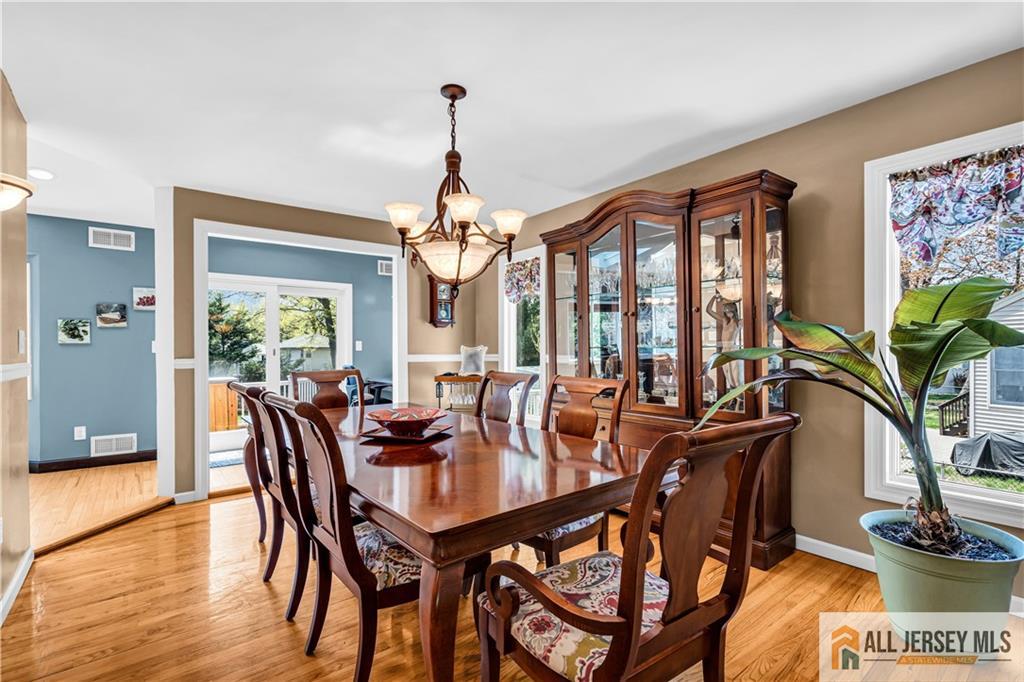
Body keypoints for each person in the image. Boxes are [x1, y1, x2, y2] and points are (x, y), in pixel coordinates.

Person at [706, 292, 742, 391]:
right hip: (724, 350)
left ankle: (739, 396)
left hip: (732, 350)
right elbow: (709, 310)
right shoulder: (724, 321)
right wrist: (714, 297)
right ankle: (733, 396)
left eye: (730, 310)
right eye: (726, 310)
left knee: (735, 377)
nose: (728, 312)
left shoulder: (738, 322)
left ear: (734, 310)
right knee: (727, 375)